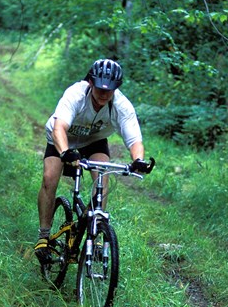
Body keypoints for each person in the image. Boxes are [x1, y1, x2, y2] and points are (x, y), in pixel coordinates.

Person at [34, 58, 154, 264]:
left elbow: (134, 139)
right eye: (100, 87)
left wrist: (138, 160)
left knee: (102, 180)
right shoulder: (76, 94)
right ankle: (43, 236)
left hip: (93, 141)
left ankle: (95, 232)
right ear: (91, 82)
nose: (104, 94)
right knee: (49, 177)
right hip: (61, 140)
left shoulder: (121, 105)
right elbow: (59, 127)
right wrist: (65, 153)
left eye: (110, 90)